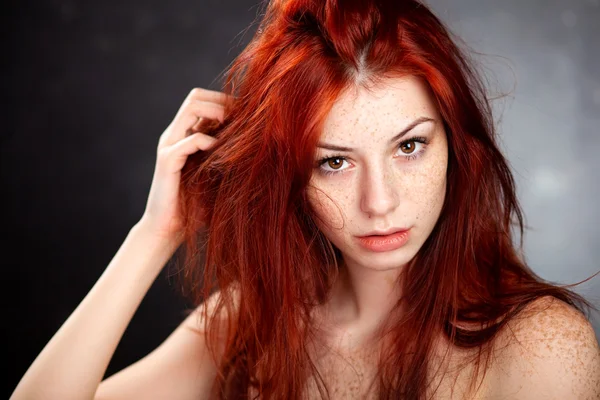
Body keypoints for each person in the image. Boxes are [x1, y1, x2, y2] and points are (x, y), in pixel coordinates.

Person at [11, 0, 600, 399]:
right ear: (289, 174)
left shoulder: (538, 343)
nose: (380, 202)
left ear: (456, 145)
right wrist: (155, 234)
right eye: (334, 161)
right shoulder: (254, 318)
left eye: (410, 146)